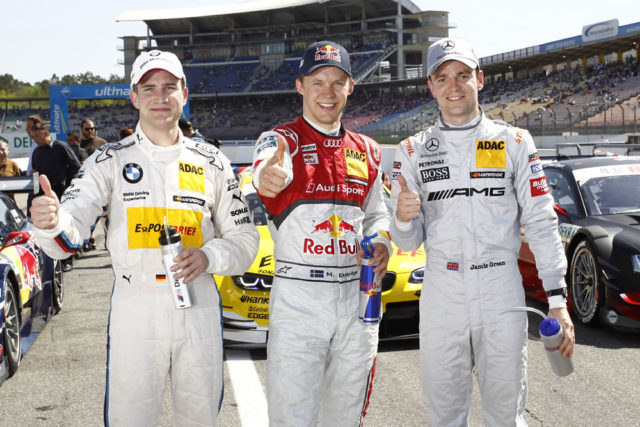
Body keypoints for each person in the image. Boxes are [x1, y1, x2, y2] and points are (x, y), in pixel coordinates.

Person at [30, 49, 259, 426]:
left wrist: (209, 257)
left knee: (200, 419)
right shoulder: (108, 160)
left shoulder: (212, 161)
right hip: (136, 308)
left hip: (197, 302)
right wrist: (51, 222)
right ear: (134, 97)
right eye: (149, 88)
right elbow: (66, 232)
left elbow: (245, 239)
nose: (160, 96)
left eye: (170, 86)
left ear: (184, 93)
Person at [390, 37, 576, 425]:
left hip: (501, 290)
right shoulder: (411, 150)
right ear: (431, 86)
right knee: (444, 415)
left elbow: (542, 222)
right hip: (442, 289)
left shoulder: (515, 142)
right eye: (442, 78)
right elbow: (407, 242)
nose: (453, 86)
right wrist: (404, 219)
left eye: (462, 75)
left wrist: (556, 298)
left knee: (504, 414)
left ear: (480, 78)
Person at [251, 40, 391, 426]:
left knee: (346, 417)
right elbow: (263, 168)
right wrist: (267, 176)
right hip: (299, 301)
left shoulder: (368, 149)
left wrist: (381, 242)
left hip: (357, 297)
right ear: (300, 85)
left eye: (337, 82)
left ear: (350, 88)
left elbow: (378, 214)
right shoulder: (281, 140)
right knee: (293, 417)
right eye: (317, 81)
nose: (327, 92)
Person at [30, 116, 81, 273]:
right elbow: (35, 175)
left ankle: (67, 259)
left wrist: (70, 188)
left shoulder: (60, 146)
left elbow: (76, 167)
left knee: (63, 225)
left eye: (38, 136)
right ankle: (51, 258)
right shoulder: (37, 152)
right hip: (44, 193)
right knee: (48, 226)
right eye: (33, 137)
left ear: (46, 133)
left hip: (62, 191)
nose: (36, 140)